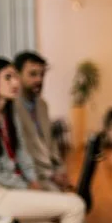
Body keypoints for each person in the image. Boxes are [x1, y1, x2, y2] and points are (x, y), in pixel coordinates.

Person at [0, 57, 86, 223]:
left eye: (15, 76)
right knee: (75, 206)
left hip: (14, 191)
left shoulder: (9, 115)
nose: (16, 82)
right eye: (8, 77)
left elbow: (22, 154)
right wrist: (27, 186)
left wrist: (32, 180)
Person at [13, 51, 71, 192]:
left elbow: (51, 144)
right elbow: (22, 153)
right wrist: (50, 175)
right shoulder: (11, 108)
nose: (39, 80)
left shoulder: (42, 105)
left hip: (49, 173)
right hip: (29, 177)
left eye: (42, 74)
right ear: (17, 75)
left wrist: (60, 170)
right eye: (33, 74)